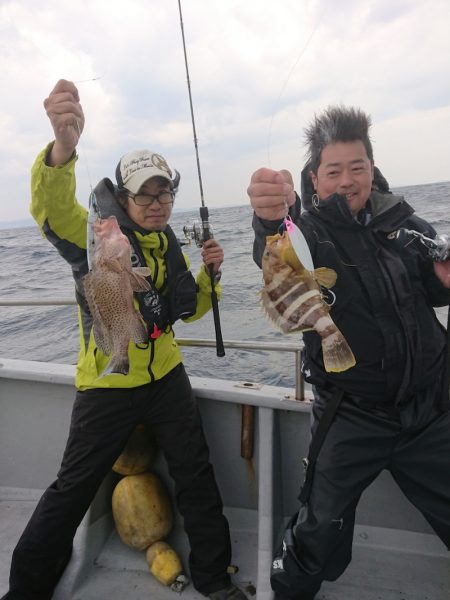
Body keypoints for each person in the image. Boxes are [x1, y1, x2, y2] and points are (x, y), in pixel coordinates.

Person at [1, 79, 247, 600]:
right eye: (146, 194)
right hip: (108, 382)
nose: (158, 203)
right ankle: (25, 589)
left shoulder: (169, 244)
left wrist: (211, 277)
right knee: (73, 488)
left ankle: (214, 578)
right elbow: (50, 211)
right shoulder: (96, 239)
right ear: (125, 198)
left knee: (196, 474)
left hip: (165, 375)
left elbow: (190, 309)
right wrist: (62, 150)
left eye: (166, 192)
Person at [248, 105, 450, 600]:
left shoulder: (405, 221)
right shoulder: (309, 232)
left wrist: (442, 279)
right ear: (314, 179)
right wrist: (270, 220)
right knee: (318, 530)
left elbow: (431, 286)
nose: (346, 181)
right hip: (351, 415)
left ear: (371, 168)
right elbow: (277, 250)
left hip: (431, 408)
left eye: (356, 167)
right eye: (333, 171)